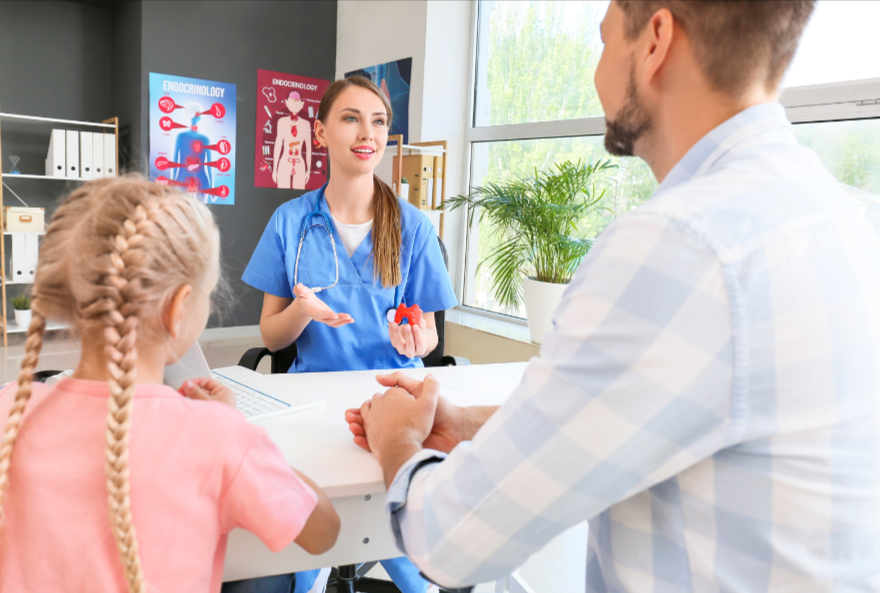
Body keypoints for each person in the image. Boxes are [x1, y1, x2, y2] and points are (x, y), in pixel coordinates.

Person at [347, 1, 880, 591]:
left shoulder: (678, 244)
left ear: (655, 41)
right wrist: (468, 422)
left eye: (603, 43)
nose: (597, 73)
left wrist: (396, 436)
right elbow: (687, 408)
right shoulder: (841, 216)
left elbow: (450, 539)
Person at [0, 176, 340, 592]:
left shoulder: (6, 410)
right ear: (178, 309)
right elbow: (324, 533)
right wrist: (238, 429)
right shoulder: (218, 436)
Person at [241, 76, 457, 592]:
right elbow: (271, 338)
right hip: (314, 404)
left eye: (379, 121)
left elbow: (425, 333)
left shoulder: (414, 227)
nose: (368, 132)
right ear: (319, 133)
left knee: (421, 560)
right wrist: (303, 310)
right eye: (351, 118)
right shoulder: (289, 222)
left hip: (395, 401)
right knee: (301, 555)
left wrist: (416, 342)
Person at [273, 90, 312, 190]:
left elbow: (308, 150)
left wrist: (308, 170)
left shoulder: (306, 124)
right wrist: (274, 169)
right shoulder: (281, 122)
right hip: (284, 162)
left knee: (301, 199)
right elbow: (278, 145)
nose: (294, 105)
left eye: (297, 103)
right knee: (280, 196)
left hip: (299, 163)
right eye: (291, 102)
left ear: (302, 104)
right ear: (286, 102)